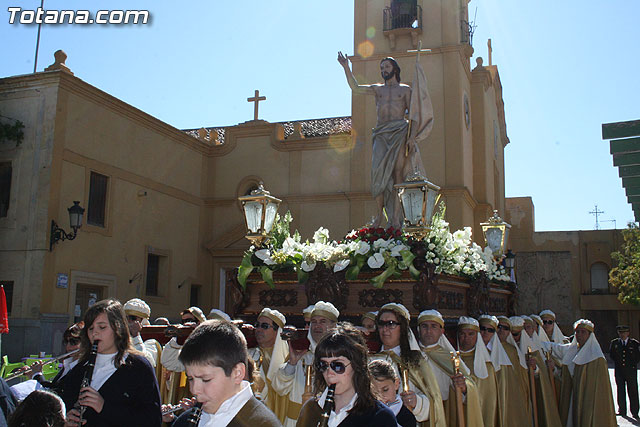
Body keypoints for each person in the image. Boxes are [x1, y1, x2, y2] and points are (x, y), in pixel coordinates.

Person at [337, 53, 431, 228]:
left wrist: (411, 137)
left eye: (386, 67)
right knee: (377, 175)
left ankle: (394, 218)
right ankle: (379, 215)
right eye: (381, 68)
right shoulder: (377, 89)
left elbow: (414, 115)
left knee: (398, 175)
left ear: (394, 68)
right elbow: (356, 87)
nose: (383, 70)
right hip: (381, 134)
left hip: (399, 133)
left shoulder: (405, 90)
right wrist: (346, 67)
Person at [56, 298, 162, 426]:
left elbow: (152, 420)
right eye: (90, 328)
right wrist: (67, 419)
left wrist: (104, 407)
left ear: (119, 328)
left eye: (102, 327)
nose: (95, 333)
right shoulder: (80, 368)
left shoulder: (139, 367)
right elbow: (63, 403)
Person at [172, 320, 282, 427]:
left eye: (206, 379)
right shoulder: (185, 421)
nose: (194, 390)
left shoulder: (261, 424)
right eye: (190, 378)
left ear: (237, 373)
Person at [296, 323, 397, 426]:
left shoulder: (380, 417)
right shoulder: (311, 409)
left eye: (338, 366)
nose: (329, 373)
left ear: (356, 365)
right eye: (323, 365)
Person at [371, 303, 445, 426]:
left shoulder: (415, 360)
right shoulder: (370, 359)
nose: (385, 329)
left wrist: (417, 403)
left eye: (391, 324)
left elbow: (434, 401)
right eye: (381, 324)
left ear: (403, 328)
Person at [272, 301, 339, 427]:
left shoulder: (340, 358)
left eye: (322, 322)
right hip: (295, 421)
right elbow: (279, 388)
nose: (317, 326)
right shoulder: (301, 355)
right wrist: (292, 363)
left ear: (334, 325)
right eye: (314, 322)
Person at [416, 310, 483, 427]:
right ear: (418, 330)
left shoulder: (449, 357)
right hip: (417, 412)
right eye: (424, 326)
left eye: (434, 326)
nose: (429, 331)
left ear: (442, 331)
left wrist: (464, 387)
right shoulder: (411, 355)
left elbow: (469, 382)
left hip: (445, 412)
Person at [545, 319, 616, 426]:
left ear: (590, 335)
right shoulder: (572, 351)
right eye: (577, 332)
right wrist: (553, 369)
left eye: (583, 332)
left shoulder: (596, 358)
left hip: (587, 403)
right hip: (572, 399)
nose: (579, 335)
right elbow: (565, 377)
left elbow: (599, 390)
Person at [247, 308, 289, 422]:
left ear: (277, 331)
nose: (258, 329)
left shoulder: (290, 359)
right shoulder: (248, 355)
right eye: (257, 325)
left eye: (264, 326)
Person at [457, 316, 499, 427]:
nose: (466, 338)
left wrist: (466, 390)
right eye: (462, 334)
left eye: (471, 334)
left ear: (477, 336)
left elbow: (488, 402)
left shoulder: (487, 367)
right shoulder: (450, 360)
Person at [369, 359, 417, 427]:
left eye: (385, 390)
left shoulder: (406, 418)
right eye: (375, 393)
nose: (381, 397)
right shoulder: (364, 414)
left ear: (396, 384)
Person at [608, 325, 639, 418]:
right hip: (619, 371)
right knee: (620, 391)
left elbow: (638, 356)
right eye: (621, 333)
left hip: (631, 371)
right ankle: (622, 410)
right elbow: (612, 354)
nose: (622, 335)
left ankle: (635, 411)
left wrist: (632, 364)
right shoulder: (615, 343)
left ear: (628, 333)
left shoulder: (634, 343)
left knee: (633, 391)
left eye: (624, 333)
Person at [123, 298, 159, 368]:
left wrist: (136, 336)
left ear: (142, 321)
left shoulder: (151, 341)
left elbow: (146, 362)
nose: (127, 321)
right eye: (125, 318)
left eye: (132, 318)